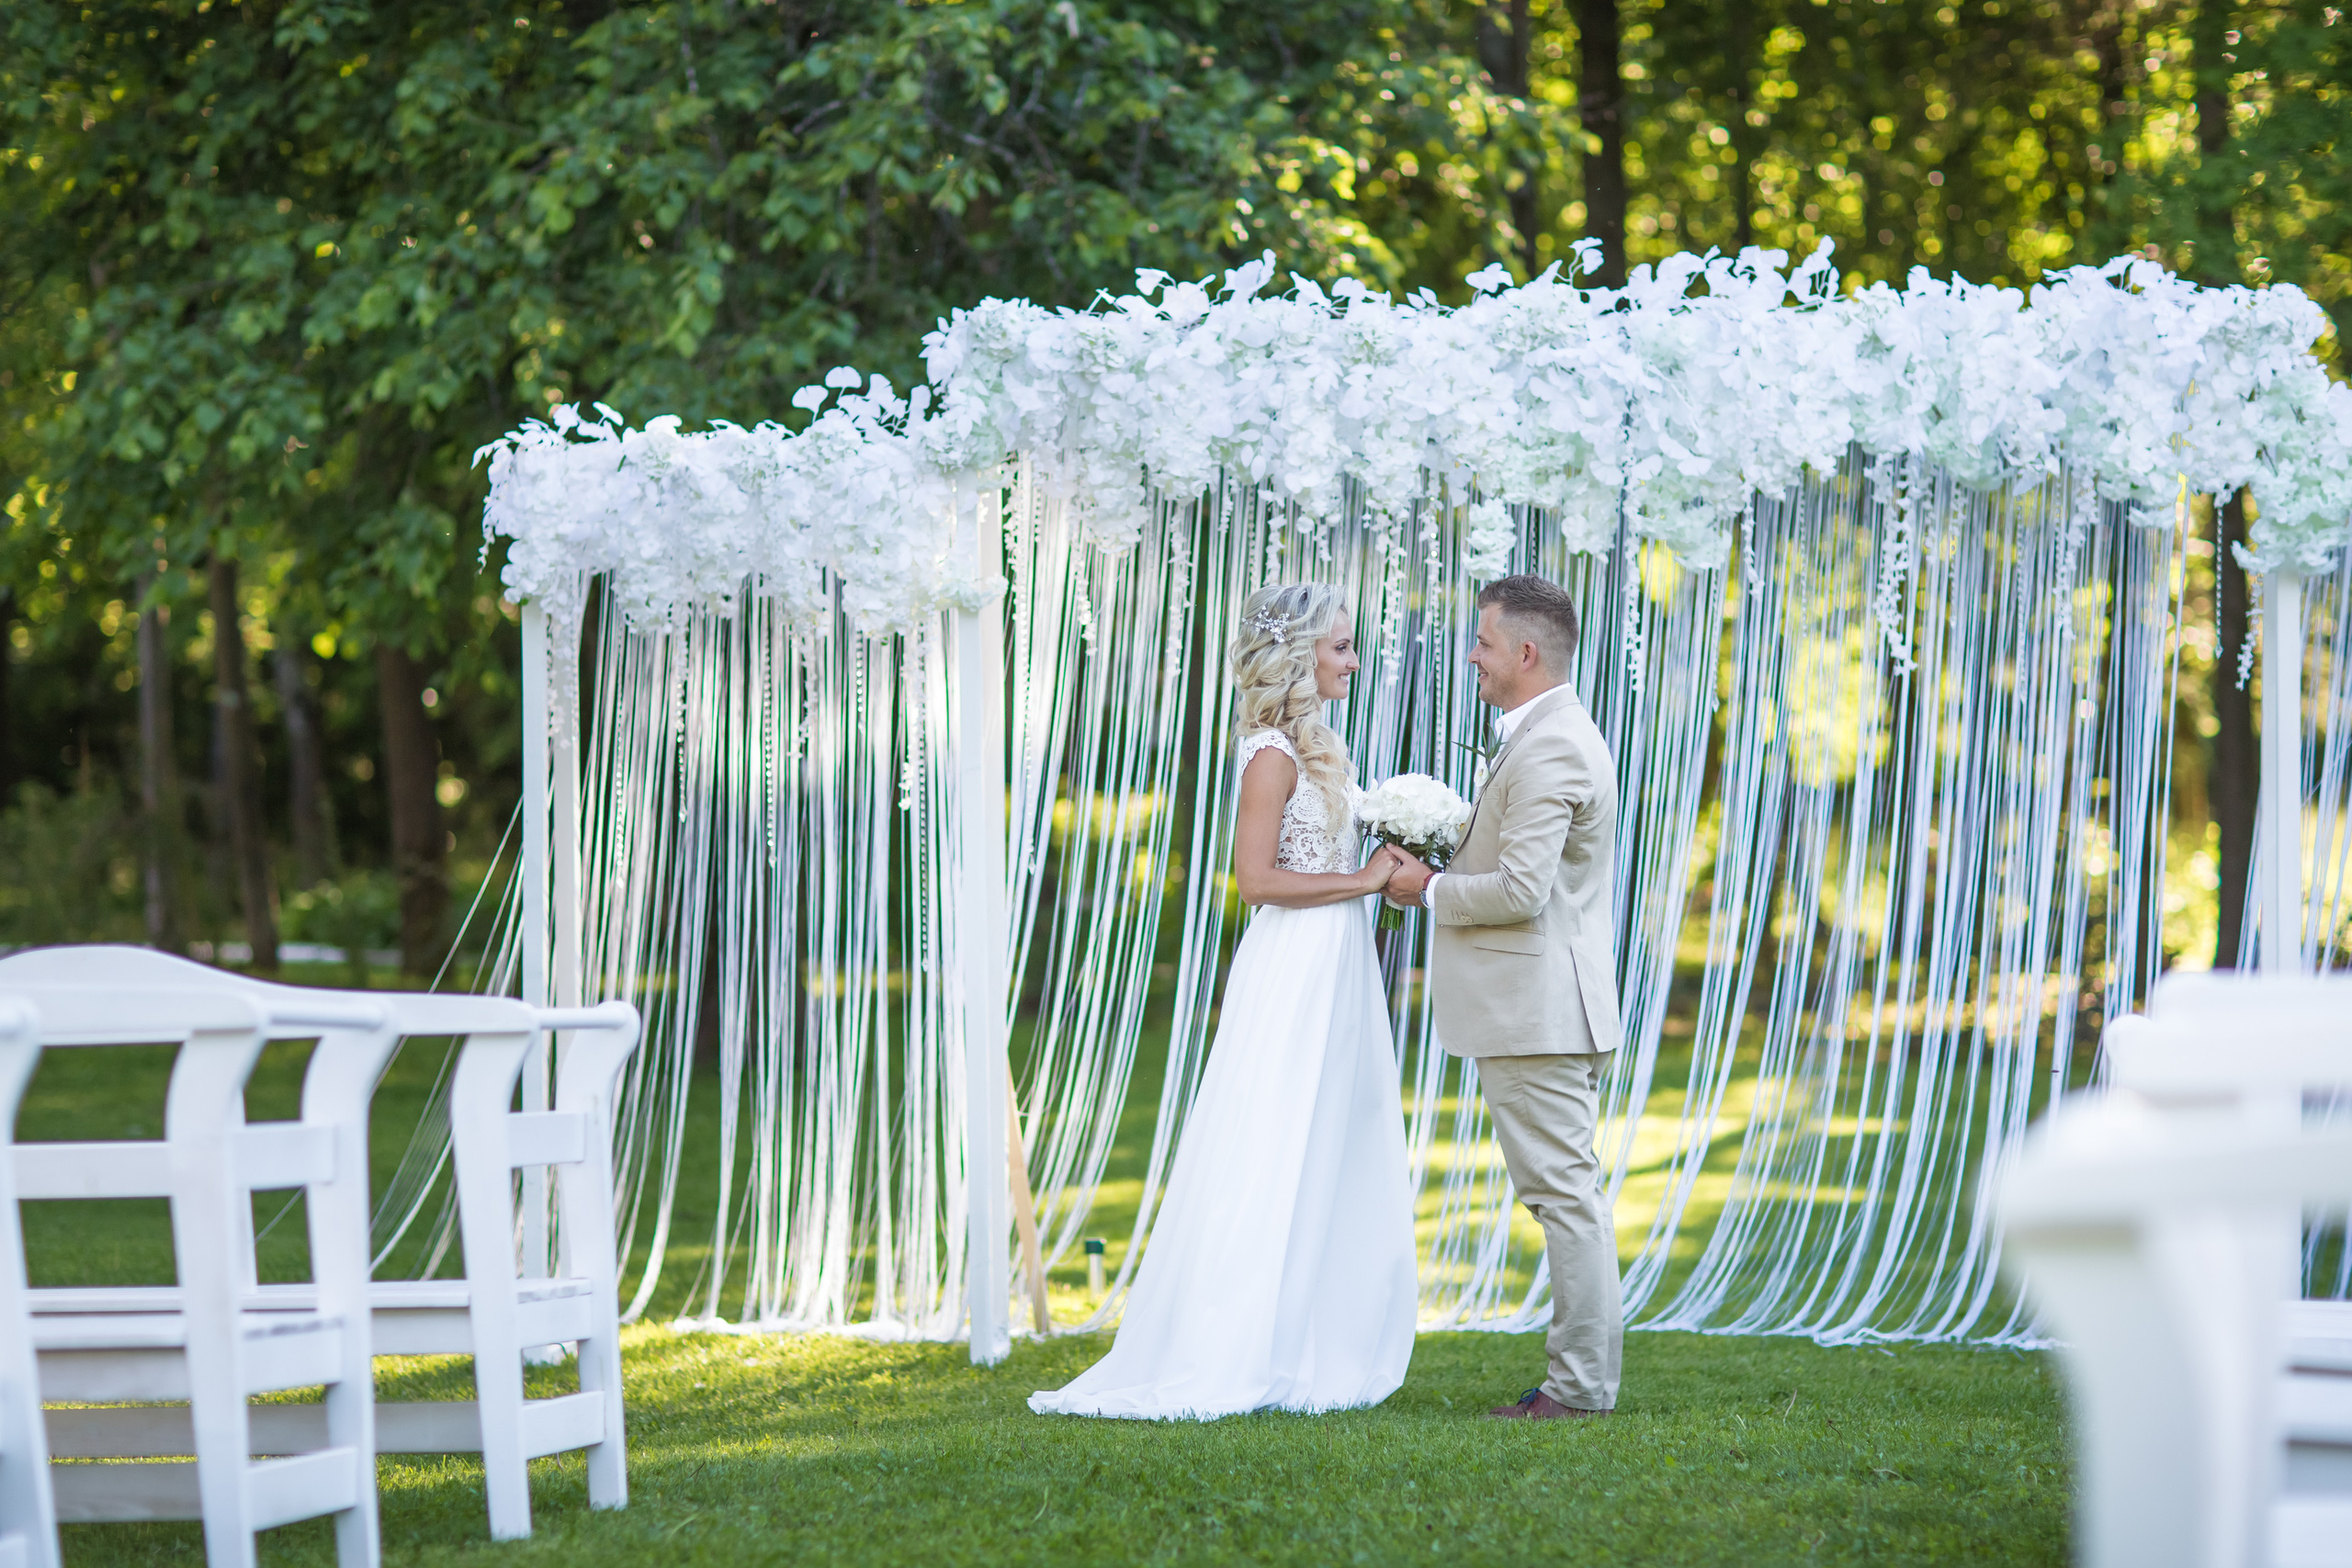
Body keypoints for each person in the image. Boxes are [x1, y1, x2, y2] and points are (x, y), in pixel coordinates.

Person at [1028, 582, 1419, 1420]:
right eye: (1341, 646)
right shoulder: (1270, 752)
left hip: (1338, 960)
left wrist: (1387, 871)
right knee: (1274, 1139)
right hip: (1293, 964)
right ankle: (1238, 1342)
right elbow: (1255, 880)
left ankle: (1310, 1338)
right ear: (1299, 656)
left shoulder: (1320, 747)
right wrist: (1359, 878)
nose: (1354, 659)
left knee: (1327, 1140)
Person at [1380, 573, 1623, 1420]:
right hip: (1547, 1004)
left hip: (1539, 1010)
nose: (1472, 658)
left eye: (1482, 643)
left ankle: (1579, 1388)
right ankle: (1579, 1380)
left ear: (1525, 652)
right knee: (1568, 1192)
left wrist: (1429, 888)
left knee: (1563, 1197)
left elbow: (1520, 890)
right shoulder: (1545, 733)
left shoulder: (1553, 743)